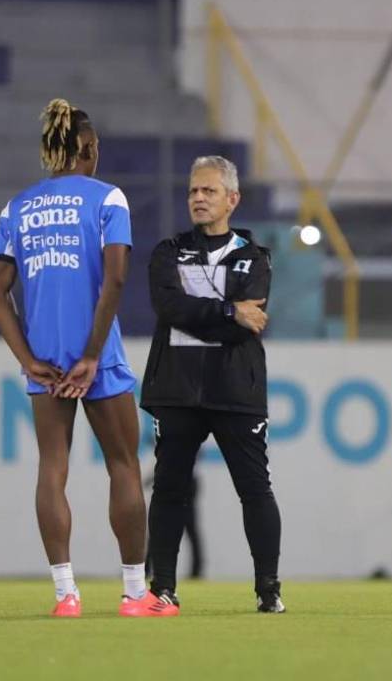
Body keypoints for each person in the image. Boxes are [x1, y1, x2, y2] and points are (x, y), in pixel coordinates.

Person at [0, 98, 168, 618]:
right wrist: (91, 354)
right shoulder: (108, 198)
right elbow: (115, 277)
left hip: (44, 358)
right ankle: (135, 594)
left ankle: (66, 595)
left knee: (52, 468)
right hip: (97, 356)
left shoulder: (16, 207)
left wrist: (27, 357)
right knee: (124, 466)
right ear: (88, 148)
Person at [141, 155, 285, 614]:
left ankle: (268, 590)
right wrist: (227, 311)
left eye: (209, 191)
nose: (198, 198)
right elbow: (169, 307)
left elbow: (247, 324)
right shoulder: (167, 252)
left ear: (233, 199)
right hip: (177, 390)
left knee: (255, 489)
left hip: (235, 390)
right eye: (193, 191)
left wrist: (210, 313)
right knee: (169, 489)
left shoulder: (254, 258)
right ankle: (161, 587)